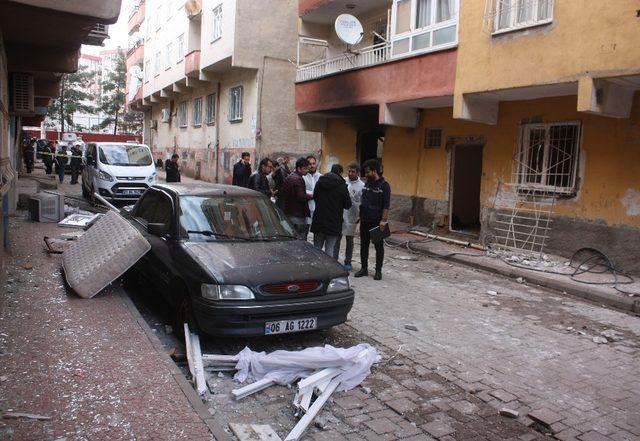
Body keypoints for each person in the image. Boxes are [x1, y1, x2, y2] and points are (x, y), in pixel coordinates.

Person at [355, 159, 391, 281]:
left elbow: (386, 205)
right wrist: (359, 215)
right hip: (365, 219)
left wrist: (383, 220)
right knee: (363, 245)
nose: (366, 174)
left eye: (368, 172)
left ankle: (378, 271)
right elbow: (363, 201)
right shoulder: (367, 184)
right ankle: (364, 269)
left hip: (376, 221)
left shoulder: (384, 186)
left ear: (375, 171)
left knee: (378, 246)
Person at [311, 164, 351, 259]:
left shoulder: (320, 181)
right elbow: (348, 205)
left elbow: (315, 197)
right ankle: (328, 271)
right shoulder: (342, 186)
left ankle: (316, 269)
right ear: (340, 173)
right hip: (334, 222)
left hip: (319, 220)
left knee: (317, 248)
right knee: (330, 249)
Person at [336, 162, 365, 271]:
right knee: (337, 237)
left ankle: (348, 261)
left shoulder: (362, 186)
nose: (350, 173)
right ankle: (334, 259)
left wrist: (360, 216)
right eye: (349, 171)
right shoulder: (342, 181)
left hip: (353, 214)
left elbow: (362, 202)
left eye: (353, 172)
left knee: (349, 239)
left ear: (357, 173)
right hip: (340, 213)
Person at [282, 157, 313, 239]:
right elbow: (300, 196)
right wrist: (311, 196)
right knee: (300, 240)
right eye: (305, 168)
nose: (307, 170)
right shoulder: (298, 179)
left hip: (289, 213)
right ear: (299, 168)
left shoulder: (289, 177)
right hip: (298, 215)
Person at [303, 155, 321, 227]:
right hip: (306, 209)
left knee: (317, 232)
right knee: (305, 230)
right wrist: (313, 194)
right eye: (310, 164)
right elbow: (302, 191)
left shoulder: (321, 177)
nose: (312, 166)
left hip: (318, 209)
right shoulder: (303, 177)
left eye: (313, 163)